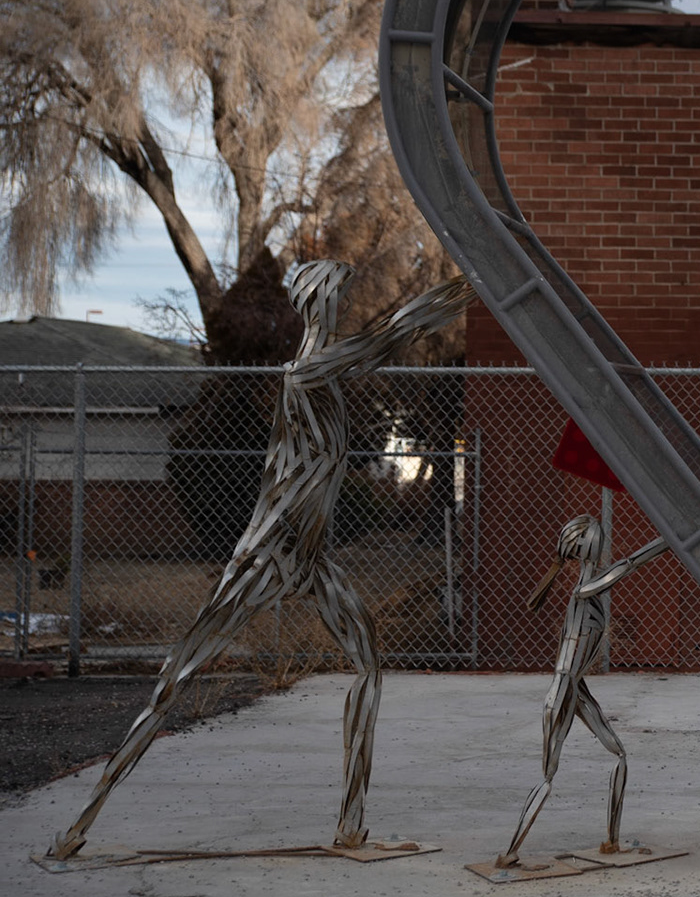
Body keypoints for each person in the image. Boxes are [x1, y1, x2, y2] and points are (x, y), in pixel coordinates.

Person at [50, 262, 473, 860]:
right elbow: (388, 338)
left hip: (311, 557)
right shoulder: (306, 373)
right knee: (178, 677)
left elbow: (384, 341)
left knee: (368, 667)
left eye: (340, 296)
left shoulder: (325, 375)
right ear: (313, 304)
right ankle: (79, 826)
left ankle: (351, 827)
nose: (338, 306)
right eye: (332, 295)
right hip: (268, 550)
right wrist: (472, 284)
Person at [496, 516, 668, 868]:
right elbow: (626, 566)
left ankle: (612, 841)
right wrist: (667, 541)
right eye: (595, 538)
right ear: (586, 546)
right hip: (563, 691)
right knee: (548, 775)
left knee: (619, 755)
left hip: (576, 687)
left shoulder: (586, 590)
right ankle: (510, 853)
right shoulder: (584, 590)